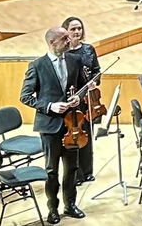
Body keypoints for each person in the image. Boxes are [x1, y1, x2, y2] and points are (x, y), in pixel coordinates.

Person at [18, 27, 87, 224]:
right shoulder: (37, 65)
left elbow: (82, 86)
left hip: (73, 123)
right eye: (64, 38)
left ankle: (70, 204)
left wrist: (77, 98)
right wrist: (50, 106)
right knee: (52, 170)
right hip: (50, 126)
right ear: (52, 43)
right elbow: (25, 96)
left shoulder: (74, 60)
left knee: (72, 167)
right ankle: (53, 208)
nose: (69, 41)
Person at [61, 17, 100, 182]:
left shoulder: (89, 49)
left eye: (79, 28)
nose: (77, 32)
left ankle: (87, 170)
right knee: (71, 138)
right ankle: (74, 174)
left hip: (86, 100)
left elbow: (97, 71)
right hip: (69, 99)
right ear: (66, 32)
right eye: (73, 29)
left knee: (86, 135)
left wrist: (94, 82)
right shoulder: (63, 53)